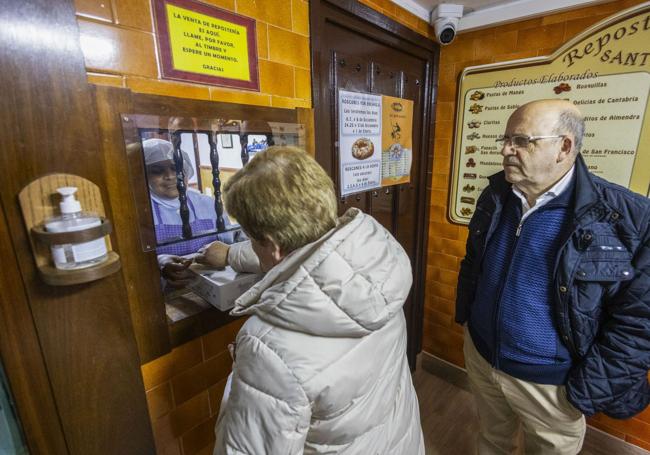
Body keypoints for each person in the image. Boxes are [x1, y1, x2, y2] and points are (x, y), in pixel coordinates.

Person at [196, 147, 424, 454]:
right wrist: (230, 255)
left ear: (272, 245)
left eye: (251, 238)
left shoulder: (268, 346)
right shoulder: (376, 270)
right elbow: (306, 254)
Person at [456, 99, 650, 454]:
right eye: (505, 139)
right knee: (491, 439)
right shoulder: (497, 194)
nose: (505, 149)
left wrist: (583, 389)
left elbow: (639, 324)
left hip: (552, 385)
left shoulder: (629, 219)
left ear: (565, 146)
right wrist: (468, 323)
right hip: (483, 356)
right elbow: (474, 264)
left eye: (521, 140)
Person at [143, 138, 236, 287]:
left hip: (211, 285)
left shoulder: (209, 204)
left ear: (186, 169)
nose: (170, 176)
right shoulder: (141, 211)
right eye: (157, 171)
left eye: (176, 167)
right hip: (165, 292)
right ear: (144, 176)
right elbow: (135, 262)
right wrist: (159, 262)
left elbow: (229, 244)